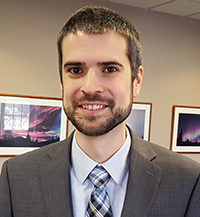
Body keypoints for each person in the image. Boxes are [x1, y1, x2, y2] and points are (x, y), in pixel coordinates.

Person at [0, 6, 200, 217]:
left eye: (110, 69)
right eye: (75, 70)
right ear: (61, 80)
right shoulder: (16, 177)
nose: (90, 87)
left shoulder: (187, 181)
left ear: (136, 81)